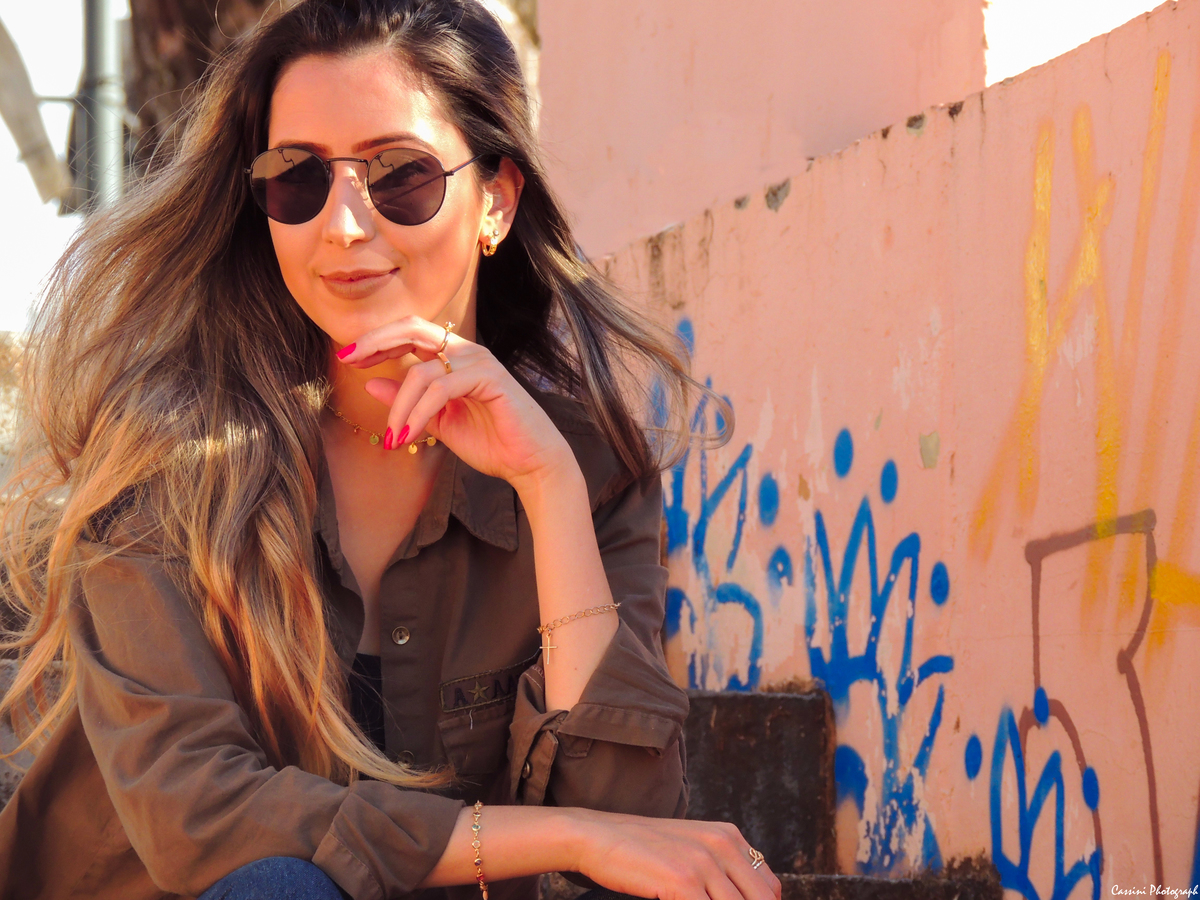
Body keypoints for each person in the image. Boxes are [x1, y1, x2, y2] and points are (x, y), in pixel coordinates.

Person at [0, 2, 780, 899]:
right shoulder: (168, 458)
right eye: (298, 178)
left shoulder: (586, 471)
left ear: (497, 199)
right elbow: (201, 815)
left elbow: (629, 818)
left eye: (399, 175)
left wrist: (549, 491)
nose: (341, 224)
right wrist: (562, 836)